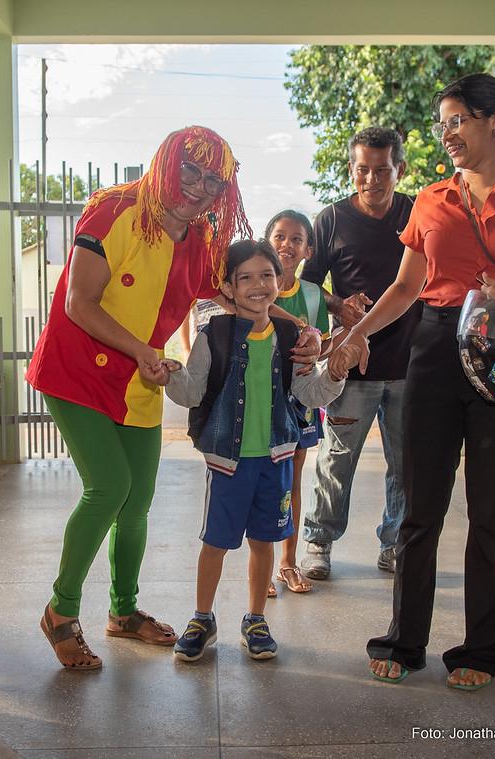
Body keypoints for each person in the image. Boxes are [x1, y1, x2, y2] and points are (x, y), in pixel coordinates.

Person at [26, 126, 321, 671]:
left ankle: (123, 611)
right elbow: (78, 304)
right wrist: (143, 350)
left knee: (136, 502)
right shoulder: (113, 210)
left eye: (214, 179)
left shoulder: (206, 244)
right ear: (165, 163)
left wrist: (300, 327)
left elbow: (247, 292)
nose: (200, 186)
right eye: (191, 169)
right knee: (108, 488)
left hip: (142, 379)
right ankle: (61, 612)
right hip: (75, 373)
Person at [329, 74, 495, 689]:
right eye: (443, 124)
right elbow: (407, 286)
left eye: (456, 121)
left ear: (493, 119)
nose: (446, 135)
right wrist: (355, 331)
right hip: (436, 347)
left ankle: (483, 649)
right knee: (420, 510)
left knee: (490, 510)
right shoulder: (431, 198)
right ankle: (405, 639)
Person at [162, 240, 356, 662]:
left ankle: (255, 619)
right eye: (245, 277)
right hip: (227, 462)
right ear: (228, 288)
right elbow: (193, 391)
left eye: (266, 275)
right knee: (215, 542)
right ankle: (202, 618)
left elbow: (310, 393)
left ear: (279, 280)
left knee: (264, 541)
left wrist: (335, 371)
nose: (257, 284)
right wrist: (170, 375)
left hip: (277, 459)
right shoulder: (212, 334)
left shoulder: (292, 337)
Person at [300, 127, 422, 580]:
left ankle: (394, 544)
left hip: (410, 364)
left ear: (400, 170)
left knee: (405, 464)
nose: (372, 179)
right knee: (337, 460)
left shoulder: (417, 214)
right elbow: (309, 284)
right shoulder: (330, 220)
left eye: (383, 170)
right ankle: (319, 542)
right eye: (363, 170)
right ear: (352, 170)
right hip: (349, 368)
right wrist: (338, 306)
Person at [265, 210, 332, 595]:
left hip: (300, 399)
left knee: (291, 478)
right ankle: (262, 562)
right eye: (279, 236)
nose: (286, 245)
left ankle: (288, 562)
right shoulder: (256, 284)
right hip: (260, 396)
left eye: (296, 239)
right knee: (261, 479)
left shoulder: (311, 294)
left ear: (308, 249)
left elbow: (321, 344)